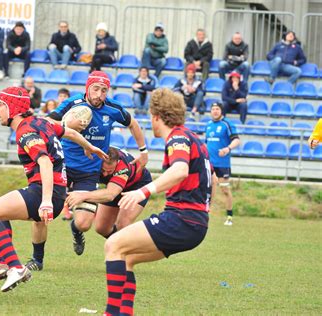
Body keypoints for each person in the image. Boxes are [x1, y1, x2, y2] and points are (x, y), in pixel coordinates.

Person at [0, 86, 107, 292]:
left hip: (45, 193)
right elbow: (69, 131)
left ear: (13, 108)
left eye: (0, 104)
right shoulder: (41, 122)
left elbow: (44, 161)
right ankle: (4, 263)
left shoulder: (25, 131)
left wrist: (45, 201)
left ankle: (16, 267)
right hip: (53, 192)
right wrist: (88, 146)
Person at [102, 88, 216, 316]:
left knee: (113, 244)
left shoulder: (177, 137)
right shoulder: (194, 139)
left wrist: (143, 191)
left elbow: (181, 170)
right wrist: (204, 208)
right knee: (127, 257)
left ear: (156, 116)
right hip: (196, 222)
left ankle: (111, 313)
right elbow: (211, 176)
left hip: (181, 218)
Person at [24, 71, 148, 271]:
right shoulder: (73, 104)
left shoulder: (112, 108)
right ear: (87, 88)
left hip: (89, 171)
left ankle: (75, 229)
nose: (99, 94)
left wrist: (143, 151)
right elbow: (47, 122)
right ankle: (37, 260)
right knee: (42, 212)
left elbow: (133, 123)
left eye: (104, 90)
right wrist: (66, 125)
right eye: (96, 89)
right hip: (61, 167)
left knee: (83, 224)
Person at [66, 147, 152, 239]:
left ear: (117, 163)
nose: (106, 174)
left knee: (122, 225)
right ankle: (119, 244)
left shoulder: (123, 167)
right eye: (103, 170)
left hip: (137, 186)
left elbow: (110, 194)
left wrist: (82, 196)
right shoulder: (95, 159)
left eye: (110, 171)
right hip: (114, 187)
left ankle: (127, 249)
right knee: (101, 228)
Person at [205, 102, 240, 226]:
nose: (215, 111)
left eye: (217, 109)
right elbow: (206, 144)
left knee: (224, 189)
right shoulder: (208, 125)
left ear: (221, 111)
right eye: (213, 109)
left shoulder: (226, 124)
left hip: (222, 163)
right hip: (210, 164)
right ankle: (206, 215)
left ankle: (229, 216)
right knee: (210, 190)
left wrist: (227, 149)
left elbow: (237, 140)